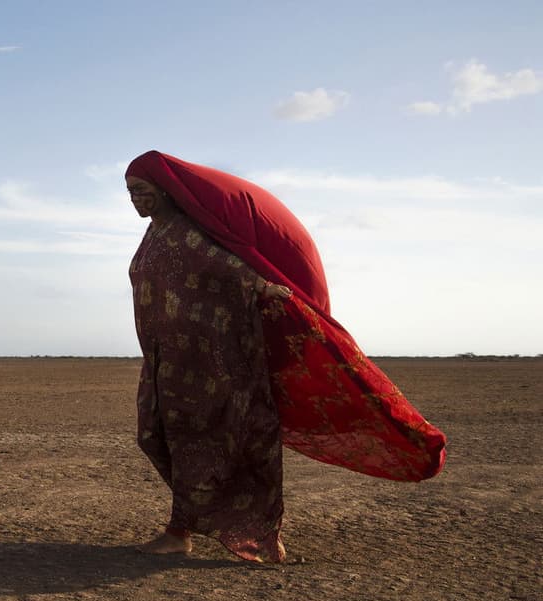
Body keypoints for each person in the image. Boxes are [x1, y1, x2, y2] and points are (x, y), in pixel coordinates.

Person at [125, 151, 447, 563]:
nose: (135, 200)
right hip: (166, 362)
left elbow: (224, 265)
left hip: (209, 363)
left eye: (142, 190)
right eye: (130, 192)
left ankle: (220, 532)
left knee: (210, 443)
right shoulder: (153, 235)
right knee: (157, 437)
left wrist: (262, 286)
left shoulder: (186, 232)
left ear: (165, 190)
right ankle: (189, 526)